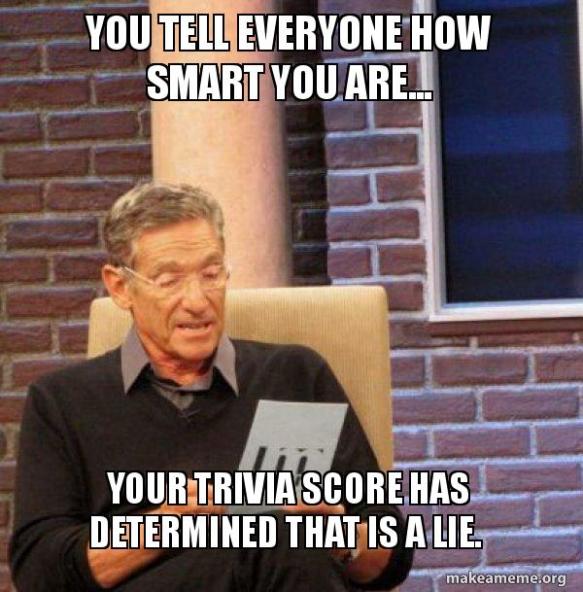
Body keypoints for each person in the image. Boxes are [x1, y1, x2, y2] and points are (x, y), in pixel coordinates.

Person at [9, 183, 413, 591]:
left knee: (286, 540)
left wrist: (343, 538)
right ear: (120, 287)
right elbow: (39, 571)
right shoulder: (63, 401)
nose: (198, 301)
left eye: (211, 274)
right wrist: (168, 526)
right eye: (169, 280)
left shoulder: (293, 376)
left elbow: (392, 553)